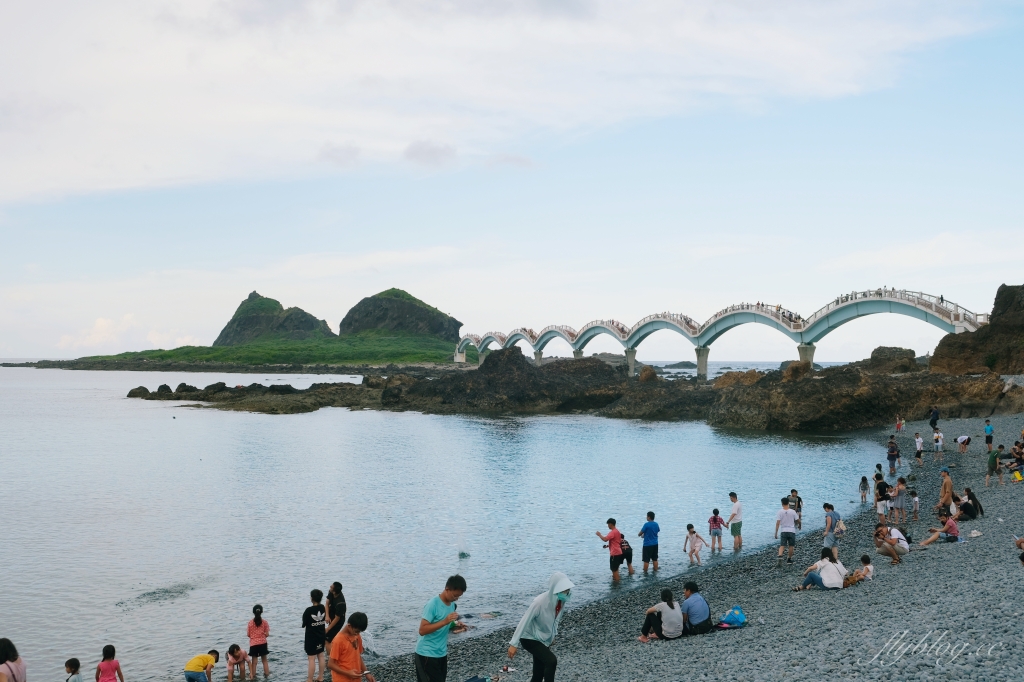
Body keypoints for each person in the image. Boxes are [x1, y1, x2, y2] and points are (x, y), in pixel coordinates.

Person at [508, 572, 574, 682]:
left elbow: (556, 620)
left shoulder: (561, 600)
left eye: (567, 590)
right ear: (555, 589)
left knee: (538, 673)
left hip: (542, 638)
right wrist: (513, 644)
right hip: (529, 638)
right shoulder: (539, 603)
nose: (566, 593)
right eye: (564, 590)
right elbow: (524, 621)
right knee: (551, 661)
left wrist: (552, 636)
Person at [415, 575, 468, 682]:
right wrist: (445, 621)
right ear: (447, 589)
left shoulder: (452, 605)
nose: (457, 598)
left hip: (441, 652)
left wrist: (456, 623)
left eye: (459, 596)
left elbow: (446, 624)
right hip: (426, 654)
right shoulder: (432, 604)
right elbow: (422, 630)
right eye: (455, 595)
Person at [327, 613, 375, 682]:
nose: (358, 634)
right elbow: (330, 664)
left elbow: (358, 656)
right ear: (349, 626)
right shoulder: (338, 640)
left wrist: (367, 673)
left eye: (359, 632)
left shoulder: (357, 636)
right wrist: (348, 673)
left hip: (356, 678)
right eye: (356, 631)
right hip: (341, 679)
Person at [303, 589, 327, 682]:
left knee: (311, 658)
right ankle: (320, 677)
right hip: (321, 635)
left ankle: (310, 679)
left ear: (312, 598)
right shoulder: (323, 608)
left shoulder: (308, 610)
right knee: (321, 655)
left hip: (311, 637)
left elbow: (304, 624)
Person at [247, 604, 270, 679]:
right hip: (263, 643)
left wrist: (254, 637)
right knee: (264, 661)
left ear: (253, 612)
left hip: (253, 644)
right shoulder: (265, 622)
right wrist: (262, 636)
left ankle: (253, 676)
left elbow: (248, 634)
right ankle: (267, 675)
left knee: (254, 662)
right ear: (261, 612)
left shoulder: (250, 623)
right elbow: (267, 634)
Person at [775, 497, 798, 565]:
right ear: (788, 503)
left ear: (782, 504)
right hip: (791, 531)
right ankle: (789, 559)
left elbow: (778, 523)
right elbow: (797, 519)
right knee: (791, 546)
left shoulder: (780, 512)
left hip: (783, 530)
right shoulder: (793, 511)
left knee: (782, 545)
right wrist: (800, 524)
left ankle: (780, 556)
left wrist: (776, 532)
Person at [325, 582, 347, 653]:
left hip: (338, 621)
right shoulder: (331, 592)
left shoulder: (340, 603)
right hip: (331, 614)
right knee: (331, 638)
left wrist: (328, 628)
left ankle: (330, 658)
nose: (330, 586)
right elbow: (327, 603)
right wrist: (327, 616)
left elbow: (337, 618)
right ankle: (337, 650)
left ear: (334, 591)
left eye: (331, 587)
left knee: (327, 640)